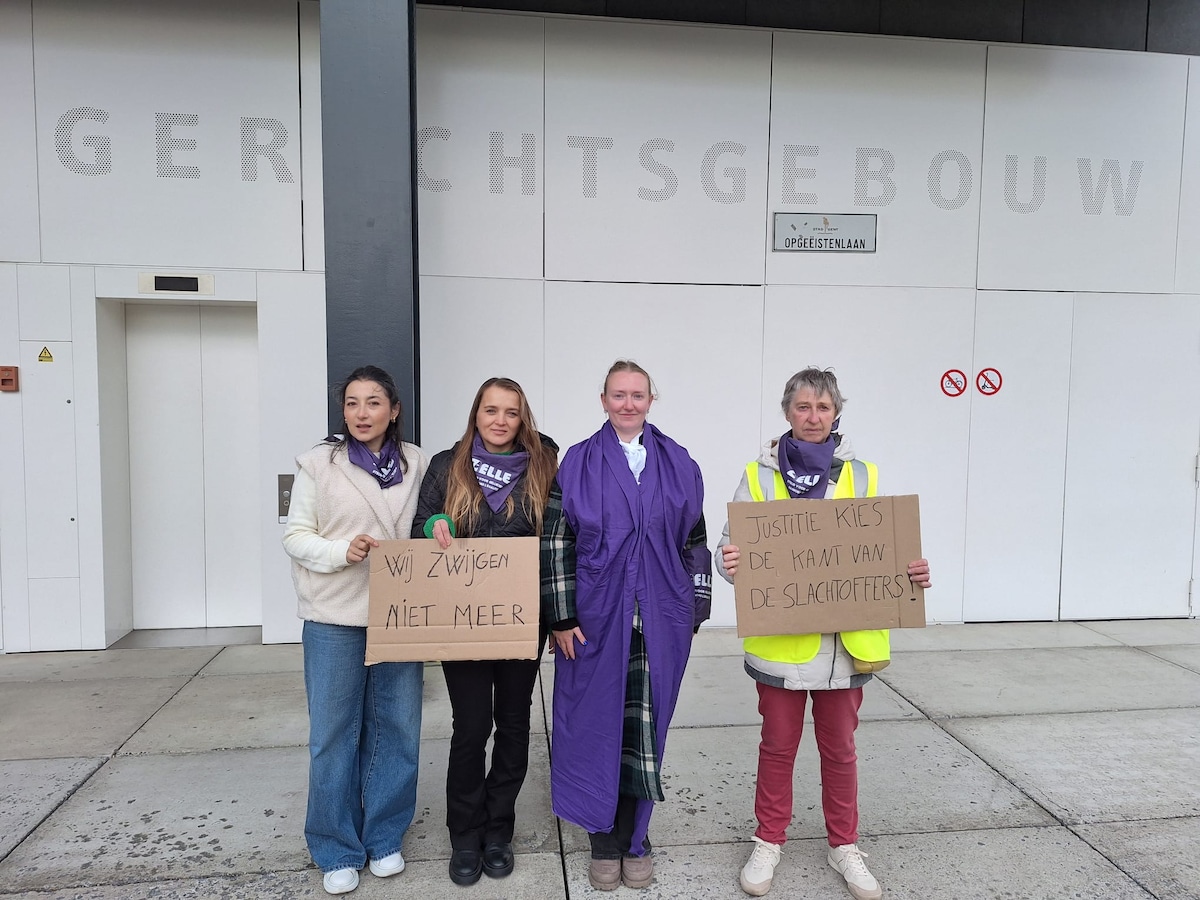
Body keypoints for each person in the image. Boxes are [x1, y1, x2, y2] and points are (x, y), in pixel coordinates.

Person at [717, 367, 931, 900]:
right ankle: (769, 840)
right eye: (803, 407)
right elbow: (729, 551)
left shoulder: (862, 473)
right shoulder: (759, 474)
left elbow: (887, 550)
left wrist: (914, 572)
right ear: (787, 412)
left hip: (845, 644)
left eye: (823, 408)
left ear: (837, 413)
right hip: (782, 643)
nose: (813, 418)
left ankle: (844, 845)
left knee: (839, 749)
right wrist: (732, 561)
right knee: (778, 746)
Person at [550, 359, 712, 892]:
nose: (628, 404)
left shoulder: (679, 462)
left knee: (645, 730)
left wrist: (696, 605)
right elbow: (557, 541)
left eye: (637, 395)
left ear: (650, 400)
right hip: (594, 620)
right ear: (603, 400)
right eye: (618, 395)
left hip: (660, 619)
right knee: (595, 728)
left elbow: (695, 539)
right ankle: (602, 839)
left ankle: (636, 838)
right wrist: (561, 614)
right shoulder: (576, 462)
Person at [410, 377, 572, 886]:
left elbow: (560, 541)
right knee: (471, 728)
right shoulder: (447, 464)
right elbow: (418, 526)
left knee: (515, 726)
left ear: (523, 419)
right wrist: (435, 522)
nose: (500, 420)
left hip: (522, 622)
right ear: (475, 414)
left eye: (511, 412)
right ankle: (465, 833)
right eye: (490, 410)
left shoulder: (546, 467)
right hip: (464, 624)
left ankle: (499, 829)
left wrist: (559, 613)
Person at [282, 365, 428, 896]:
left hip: (399, 616)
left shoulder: (416, 463)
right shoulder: (319, 463)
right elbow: (296, 536)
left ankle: (384, 835)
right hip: (334, 616)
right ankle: (335, 846)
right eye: (351, 403)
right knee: (333, 735)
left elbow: (428, 520)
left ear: (393, 410)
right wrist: (341, 551)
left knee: (398, 730)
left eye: (372, 403)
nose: (361, 413)